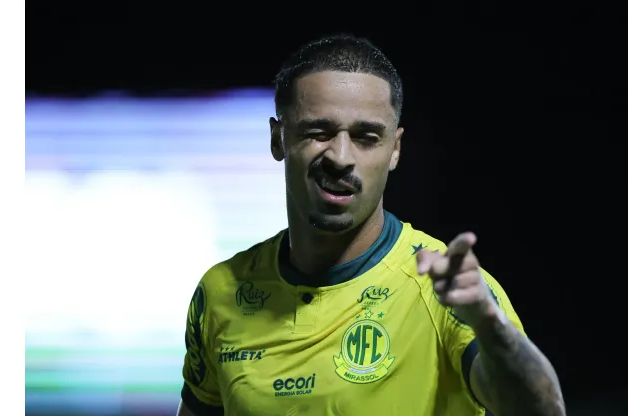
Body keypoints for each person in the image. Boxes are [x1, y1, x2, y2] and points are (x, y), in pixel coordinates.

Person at [176, 34, 565, 416]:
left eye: (366, 137)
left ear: (394, 150)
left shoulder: (441, 290)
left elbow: (543, 410)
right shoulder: (220, 292)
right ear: (278, 139)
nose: (341, 157)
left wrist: (489, 325)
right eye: (319, 131)